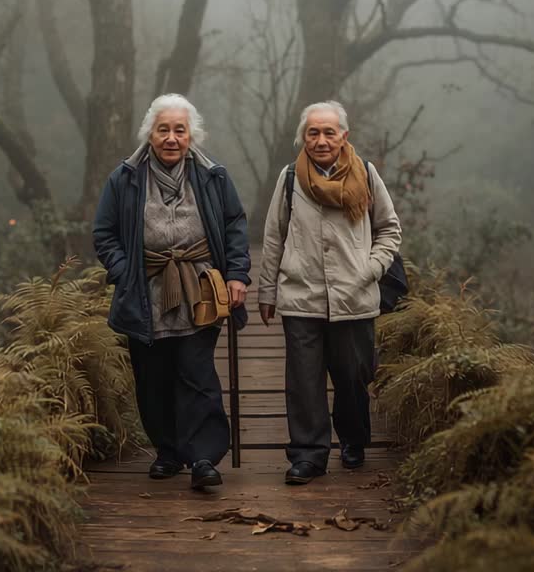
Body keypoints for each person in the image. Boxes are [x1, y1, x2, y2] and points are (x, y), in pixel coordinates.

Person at [93, 94, 251, 489]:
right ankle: (167, 452)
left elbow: (235, 224)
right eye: (163, 129)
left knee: (197, 373)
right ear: (150, 133)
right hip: (145, 291)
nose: (171, 138)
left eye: (179, 130)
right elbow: (104, 233)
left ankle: (202, 458)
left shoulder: (212, 175)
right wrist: (124, 270)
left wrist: (237, 275)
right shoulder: (125, 178)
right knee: (153, 376)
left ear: (190, 136)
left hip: (200, 286)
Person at [256, 101, 402, 485]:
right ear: (304, 136)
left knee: (353, 377)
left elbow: (389, 230)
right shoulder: (290, 179)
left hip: (354, 297)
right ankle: (308, 454)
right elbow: (274, 237)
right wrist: (267, 292)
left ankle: (353, 439)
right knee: (304, 381)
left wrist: (369, 270)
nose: (321, 141)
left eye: (329, 132)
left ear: (343, 136)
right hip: (300, 296)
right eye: (313, 133)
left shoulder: (366, 175)